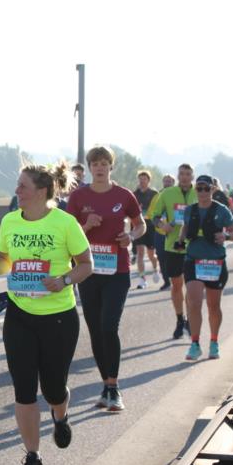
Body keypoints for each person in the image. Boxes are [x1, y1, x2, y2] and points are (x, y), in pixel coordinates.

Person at [0, 161, 91, 465]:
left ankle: (60, 414)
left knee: (54, 388)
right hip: (19, 316)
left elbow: (86, 264)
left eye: (22, 187)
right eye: (17, 186)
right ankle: (33, 456)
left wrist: (65, 280)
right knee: (24, 389)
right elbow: (4, 259)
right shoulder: (10, 221)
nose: (16, 192)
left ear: (41, 191)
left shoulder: (65, 222)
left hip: (58, 317)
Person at [67, 146, 145, 412]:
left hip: (117, 271)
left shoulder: (124, 195)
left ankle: (114, 387)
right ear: (89, 167)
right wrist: (86, 226)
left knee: (109, 326)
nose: (99, 167)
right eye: (95, 163)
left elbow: (140, 223)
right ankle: (105, 384)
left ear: (111, 167)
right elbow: (66, 232)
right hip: (88, 272)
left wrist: (131, 237)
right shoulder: (78, 197)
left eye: (104, 163)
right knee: (96, 330)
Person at [182, 175, 233, 360]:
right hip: (193, 259)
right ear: (195, 189)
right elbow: (185, 227)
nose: (202, 192)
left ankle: (214, 342)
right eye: (199, 188)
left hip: (215, 261)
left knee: (213, 306)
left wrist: (227, 237)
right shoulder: (190, 210)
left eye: (206, 188)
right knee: (194, 301)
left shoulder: (221, 210)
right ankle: (195, 343)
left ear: (213, 189)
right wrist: (181, 239)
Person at [148, 163, 198, 339]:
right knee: (177, 285)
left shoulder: (199, 194)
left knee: (192, 288)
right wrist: (163, 225)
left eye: (187, 174)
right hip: (173, 246)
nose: (184, 177)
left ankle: (191, 321)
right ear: (178, 176)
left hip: (194, 247)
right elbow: (154, 216)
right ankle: (179, 319)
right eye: (182, 174)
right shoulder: (167, 194)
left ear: (192, 176)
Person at [131, 170, 161, 289]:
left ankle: (155, 269)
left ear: (149, 180)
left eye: (144, 179)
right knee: (140, 253)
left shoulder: (154, 194)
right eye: (140, 179)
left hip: (150, 227)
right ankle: (142, 279)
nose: (142, 181)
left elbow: (158, 210)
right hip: (138, 226)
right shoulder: (134, 194)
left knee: (151, 254)